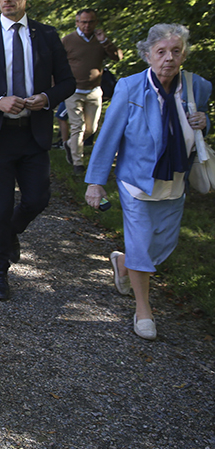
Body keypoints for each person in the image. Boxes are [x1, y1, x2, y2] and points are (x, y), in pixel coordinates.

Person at [85, 24, 210, 341]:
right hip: (136, 184)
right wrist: (96, 183)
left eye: (176, 51)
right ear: (147, 55)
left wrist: (204, 122)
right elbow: (108, 138)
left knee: (161, 247)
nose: (169, 58)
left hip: (175, 185)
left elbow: (196, 128)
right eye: (162, 52)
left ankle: (123, 263)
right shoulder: (131, 87)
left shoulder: (198, 87)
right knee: (142, 249)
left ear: (183, 54)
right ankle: (144, 310)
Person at [0, 0, 75, 300]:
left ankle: (11, 232)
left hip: (34, 134)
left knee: (36, 199)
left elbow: (68, 82)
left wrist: (47, 98)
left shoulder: (45, 35)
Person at [62, 9, 122, 173]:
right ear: (77, 23)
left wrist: (105, 42)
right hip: (73, 90)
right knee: (77, 127)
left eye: (90, 22)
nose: (87, 25)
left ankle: (69, 144)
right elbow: (57, 63)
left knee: (91, 128)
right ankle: (78, 164)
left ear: (96, 23)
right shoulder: (67, 40)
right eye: (83, 22)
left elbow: (117, 57)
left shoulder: (100, 40)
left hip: (94, 90)